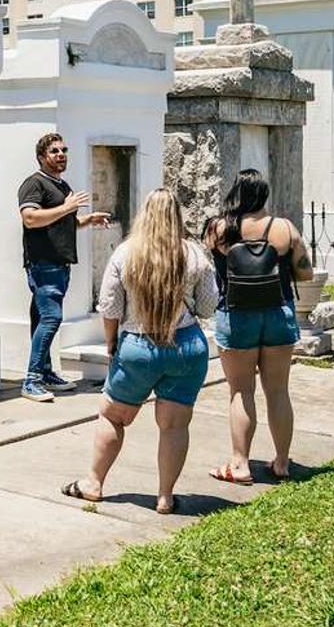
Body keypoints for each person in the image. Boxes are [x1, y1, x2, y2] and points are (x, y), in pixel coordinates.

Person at [63, 189, 217, 515]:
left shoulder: (126, 253)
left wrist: (110, 342)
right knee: (174, 425)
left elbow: (109, 306)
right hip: (186, 346)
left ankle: (93, 483)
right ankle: (165, 497)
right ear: (177, 215)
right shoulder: (194, 254)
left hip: (138, 346)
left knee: (112, 416)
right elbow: (207, 307)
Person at [205, 170, 309, 484]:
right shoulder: (284, 228)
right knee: (278, 391)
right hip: (278, 312)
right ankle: (282, 462)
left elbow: (210, 265)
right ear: (264, 195)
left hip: (236, 315)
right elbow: (305, 273)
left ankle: (239, 464)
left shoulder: (219, 228)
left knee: (241, 390)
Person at [18, 133, 112, 403]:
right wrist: (67, 206)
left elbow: (62, 222)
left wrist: (87, 219)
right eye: (54, 151)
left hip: (60, 263)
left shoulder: (61, 186)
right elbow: (30, 218)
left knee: (41, 318)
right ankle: (32, 380)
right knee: (51, 318)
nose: (61, 155)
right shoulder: (34, 183)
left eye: (63, 150)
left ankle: (46, 373)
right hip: (44, 263)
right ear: (41, 157)